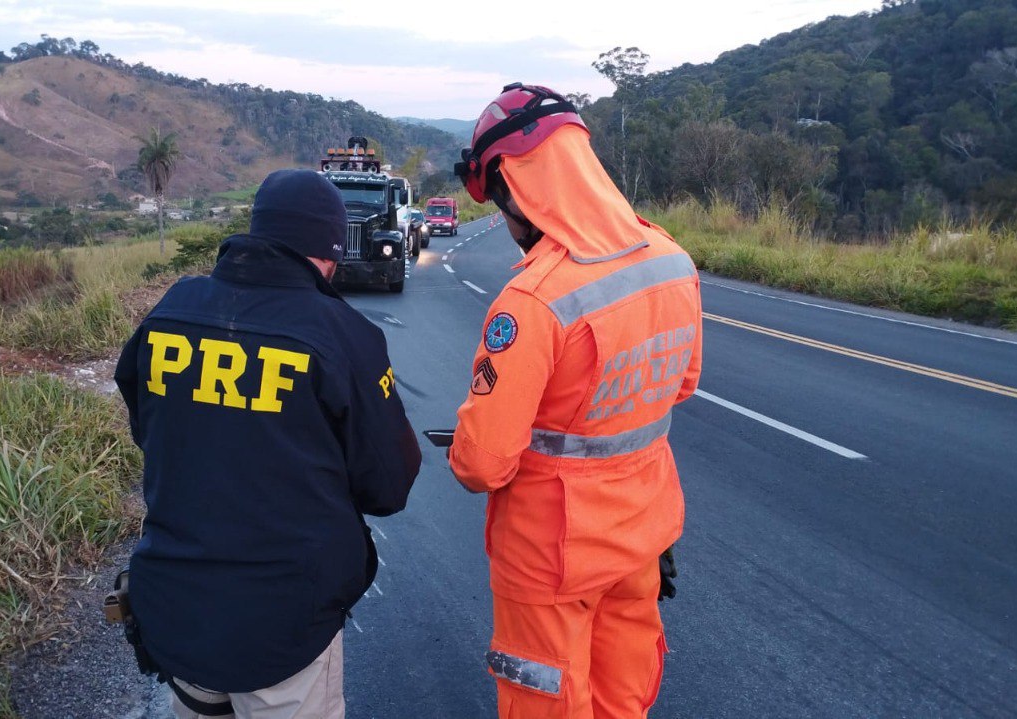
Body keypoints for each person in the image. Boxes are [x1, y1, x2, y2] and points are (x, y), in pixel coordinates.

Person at [114, 169, 421, 719]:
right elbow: (388, 485)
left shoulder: (172, 308)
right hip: (285, 623)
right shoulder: (343, 333)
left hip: (178, 601)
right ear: (327, 252)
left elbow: (148, 425)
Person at [448, 83, 703, 718]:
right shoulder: (671, 259)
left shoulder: (534, 301)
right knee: (622, 701)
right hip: (641, 536)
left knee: (547, 703)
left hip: (551, 557)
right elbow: (680, 385)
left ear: (515, 187)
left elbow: (481, 467)